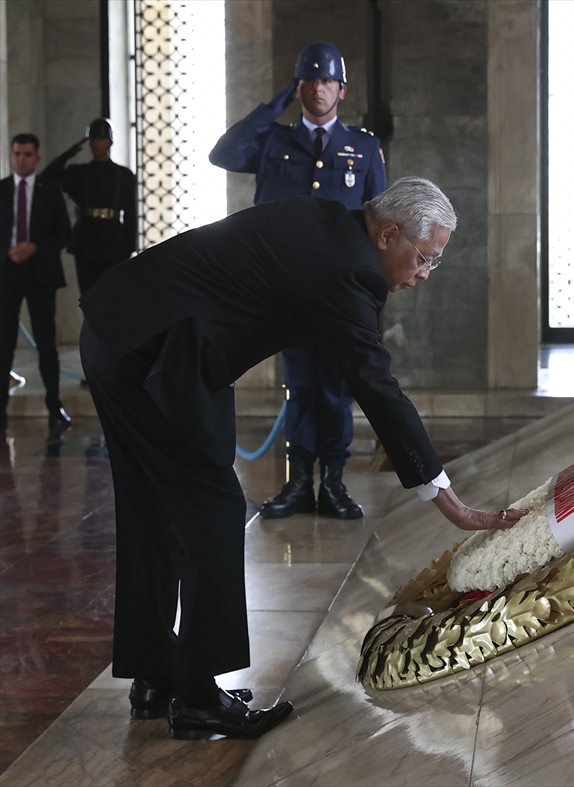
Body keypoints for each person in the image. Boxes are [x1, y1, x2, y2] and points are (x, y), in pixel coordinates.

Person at [79, 176, 521, 740]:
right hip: (159, 354)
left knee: (152, 507)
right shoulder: (350, 269)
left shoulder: (327, 223)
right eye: (426, 258)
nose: (424, 275)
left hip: (120, 328)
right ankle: (195, 702)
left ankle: (155, 676)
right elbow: (374, 381)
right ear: (388, 234)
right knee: (212, 512)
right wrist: (441, 491)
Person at [210, 41, 387, 522]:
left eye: (326, 80)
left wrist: (372, 300)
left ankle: (332, 482)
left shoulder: (365, 147)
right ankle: (296, 483)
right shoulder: (273, 141)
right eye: (308, 81)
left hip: (340, 293)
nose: (318, 89)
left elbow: (379, 231)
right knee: (299, 385)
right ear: (299, 87)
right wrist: (274, 106)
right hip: (284, 289)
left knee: (335, 387)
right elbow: (223, 153)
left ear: (342, 89)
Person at [1, 133, 73, 432]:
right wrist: (8, 249)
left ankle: (54, 404)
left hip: (40, 273)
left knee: (46, 342)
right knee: (4, 343)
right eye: (17, 153)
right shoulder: (2, 189)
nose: (21, 159)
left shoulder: (50, 190)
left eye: (27, 154)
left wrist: (35, 247)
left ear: (37, 157)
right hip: (7, 272)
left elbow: (64, 234)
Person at [41, 118, 138, 293]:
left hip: (113, 241)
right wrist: (68, 154)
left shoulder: (123, 175)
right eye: (92, 140)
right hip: (86, 241)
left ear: (110, 142)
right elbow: (47, 178)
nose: (95, 144)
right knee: (87, 297)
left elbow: (131, 214)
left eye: (100, 139)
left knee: (111, 298)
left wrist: (129, 248)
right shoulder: (79, 173)